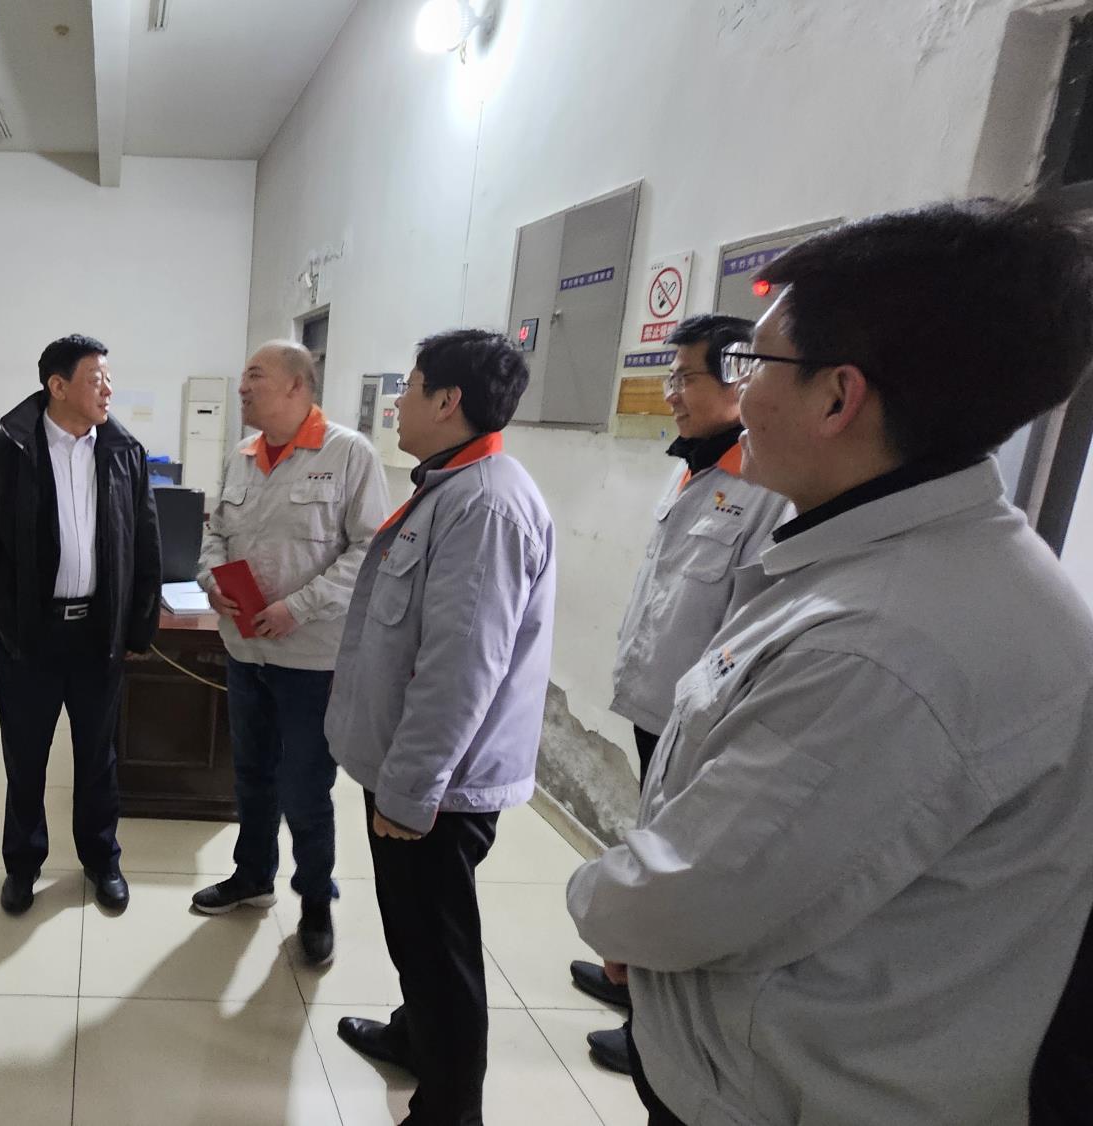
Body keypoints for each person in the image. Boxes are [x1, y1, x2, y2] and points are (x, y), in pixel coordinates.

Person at [567, 198, 1093, 1126]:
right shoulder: (900, 562)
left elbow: (698, 896)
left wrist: (612, 907)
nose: (740, 395)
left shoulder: (888, 645)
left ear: (837, 396)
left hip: (786, 1092)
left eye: (756, 363)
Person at [325, 330, 555, 1126]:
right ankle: (415, 1036)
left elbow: (461, 670)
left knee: (439, 947)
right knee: (413, 933)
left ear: (448, 401)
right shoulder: (453, 485)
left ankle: (450, 1108)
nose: (399, 399)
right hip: (415, 771)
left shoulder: (485, 505)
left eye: (412, 385)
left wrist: (410, 791)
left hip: (438, 787)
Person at [567, 313, 791, 1074]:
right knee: (649, 831)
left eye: (686, 378)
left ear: (739, 380)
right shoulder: (693, 466)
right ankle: (631, 978)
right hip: (657, 700)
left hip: (702, 718)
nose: (670, 393)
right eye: (671, 376)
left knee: (672, 862)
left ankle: (652, 1034)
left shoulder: (764, 489)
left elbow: (750, 621)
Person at [192, 341, 387, 965]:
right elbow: (214, 532)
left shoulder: (348, 453)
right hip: (245, 650)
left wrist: (297, 607)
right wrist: (211, 580)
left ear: (297, 386)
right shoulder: (242, 455)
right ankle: (253, 876)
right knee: (250, 775)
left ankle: (315, 900)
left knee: (305, 785)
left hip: (311, 659)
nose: (242, 387)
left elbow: (370, 551)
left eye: (255, 376)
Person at [0, 334, 161, 916]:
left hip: (97, 635)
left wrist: (138, 628)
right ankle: (22, 864)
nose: (109, 390)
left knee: (98, 758)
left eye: (109, 379)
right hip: (30, 637)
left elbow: (144, 544)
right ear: (58, 386)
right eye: (97, 379)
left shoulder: (124, 451)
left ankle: (101, 859)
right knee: (26, 760)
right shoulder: (4, 452)